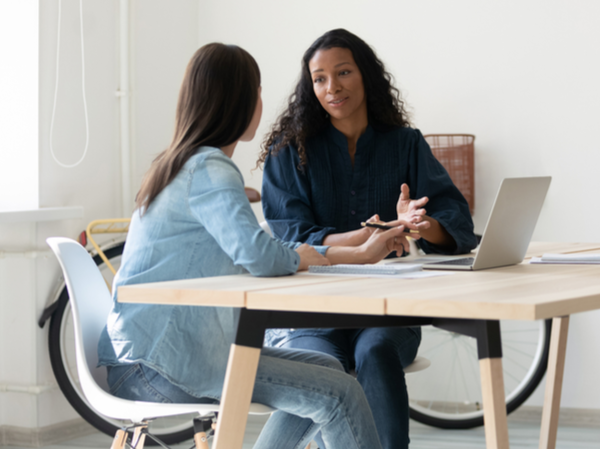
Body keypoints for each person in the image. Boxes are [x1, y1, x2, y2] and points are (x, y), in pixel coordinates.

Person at [97, 43, 416, 449]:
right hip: (158, 365)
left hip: (142, 355)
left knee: (327, 373)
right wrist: (345, 254)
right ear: (241, 100)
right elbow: (260, 256)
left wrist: (351, 252)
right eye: (258, 91)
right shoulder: (210, 167)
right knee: (339, 393)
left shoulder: (180, 162)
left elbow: (261, 250)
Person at [258, 29, 478, 448]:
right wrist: (366, 242)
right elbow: (290, 238)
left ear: (366, 76)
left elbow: (457, 221)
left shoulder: (405, 143)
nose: (332, 87)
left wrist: (419, 223)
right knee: (320, 365)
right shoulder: (289, 152)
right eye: (319, 78)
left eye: (343, 73)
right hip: (307, 313)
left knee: (376, 352)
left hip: (385, 312)